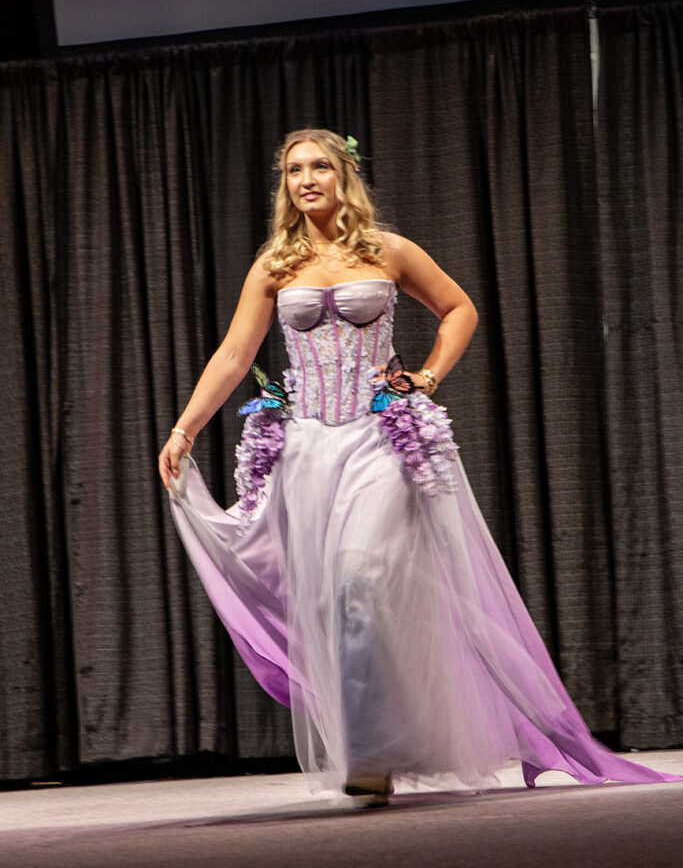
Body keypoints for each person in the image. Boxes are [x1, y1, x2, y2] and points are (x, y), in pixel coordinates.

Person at [159, 129, 675, 804]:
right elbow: (233, 355)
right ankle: (376, 748)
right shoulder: (274, 264)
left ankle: (373, 757)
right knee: (333, 600)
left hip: (380, 439)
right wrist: (184, 428)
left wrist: (427, 375)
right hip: (308, 450)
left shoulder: (386, 250)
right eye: (293, 170)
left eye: (319, 166)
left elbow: (459, 308)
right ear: (283, 184)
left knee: (361, 580)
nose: (306, 179)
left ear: (344, 174)